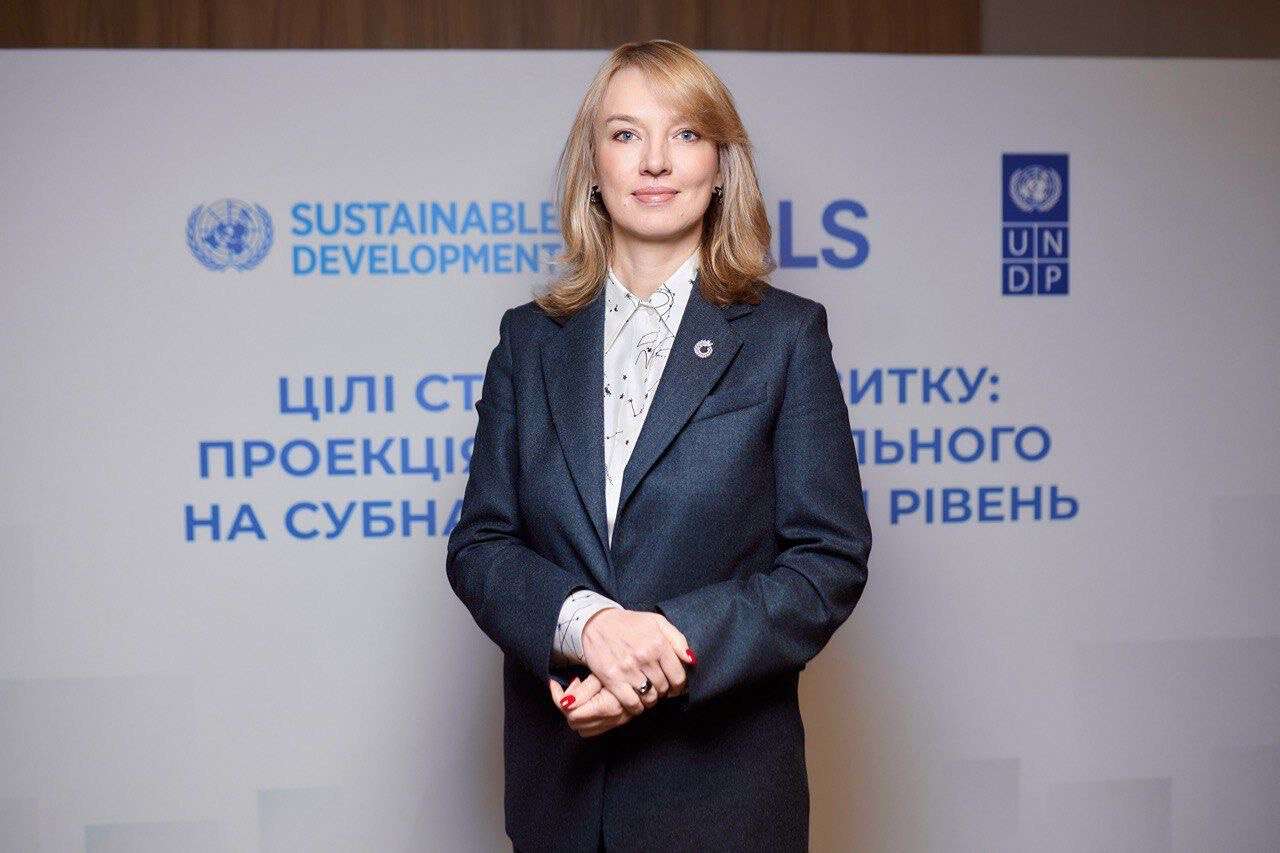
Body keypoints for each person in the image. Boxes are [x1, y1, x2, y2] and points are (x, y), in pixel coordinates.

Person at [446, 39, 872, 852]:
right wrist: (585, 626)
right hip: (561, 806)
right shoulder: (528, 342)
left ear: (721, 165)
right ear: (593, 168)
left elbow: (827, 561)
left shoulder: (785, 338)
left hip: (725, 807)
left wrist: (657, 652)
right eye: (625, 133)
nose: (654, 161)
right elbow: (481, 545)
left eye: (685, 133)